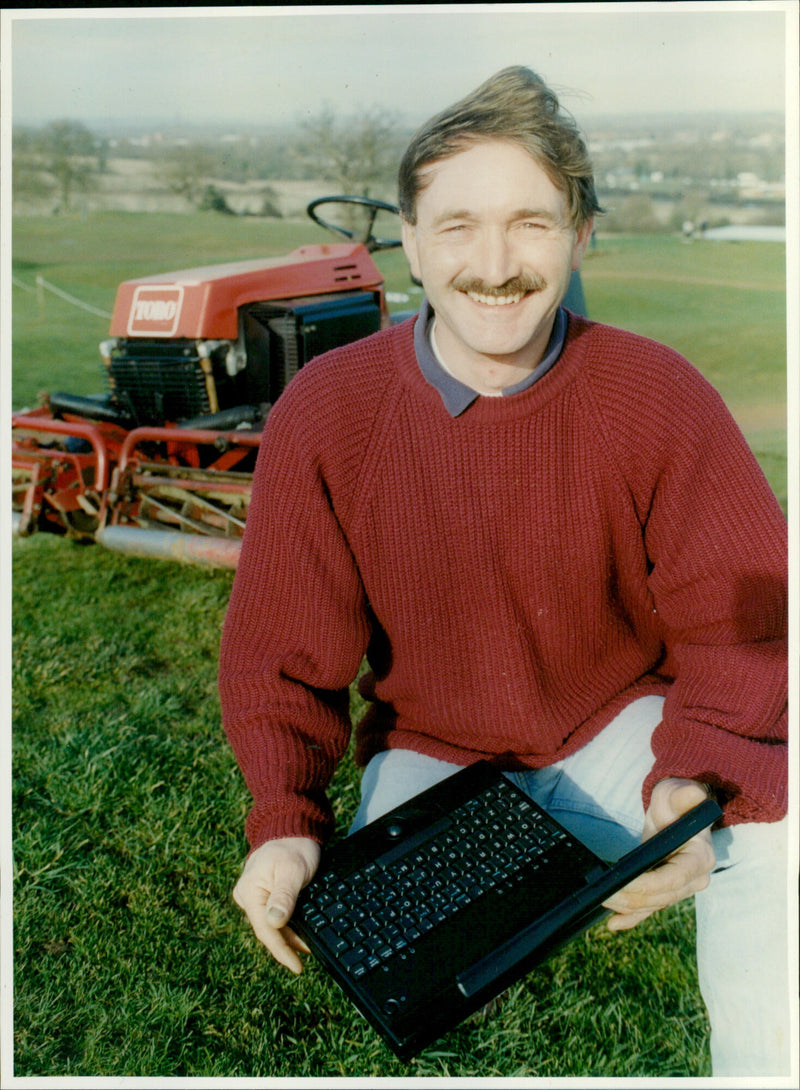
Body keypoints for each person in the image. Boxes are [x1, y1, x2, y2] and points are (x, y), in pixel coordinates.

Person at [218, 67, 790, 1076]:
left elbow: (741, 619)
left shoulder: (655, 392)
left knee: (783, 827)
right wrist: (283, 824)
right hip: (436, 756)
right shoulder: (327, 408)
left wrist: (691, 783)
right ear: (407, 235)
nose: (493, 265)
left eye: (530, 223)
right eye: (457, 226)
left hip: (621, 726)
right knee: (394, 964)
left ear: (579, 235)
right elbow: (279, 653)